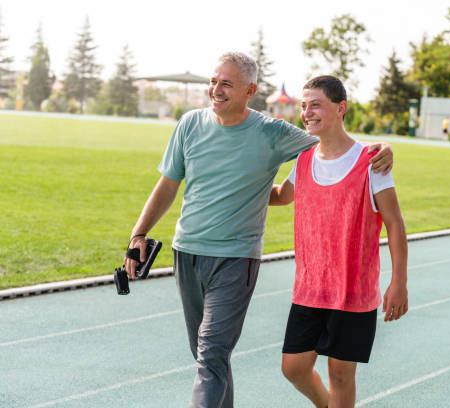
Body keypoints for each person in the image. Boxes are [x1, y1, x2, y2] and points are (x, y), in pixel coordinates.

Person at [123, 53, 394, 408]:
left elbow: (335, 144)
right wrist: (138, 234)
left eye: (227, 84)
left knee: (212, 353)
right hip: (186, 252)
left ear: (249, 90)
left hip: (236, 258)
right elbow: (168, 183)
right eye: (214, 81)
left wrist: (382, 149)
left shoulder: (272, 132)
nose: (215, 90)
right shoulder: (189, 124)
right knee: (209, 358)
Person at [269, 75, 408, 408]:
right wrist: (232, 184)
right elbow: (280, 196)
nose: (307, 112)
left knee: (342, 375)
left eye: (315, 104)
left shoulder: (372, 162)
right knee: (294, 367)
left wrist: (398, 282)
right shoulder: (303, 161)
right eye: (304, 106)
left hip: (353, 292)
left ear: (340, 108)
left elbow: (395, 224)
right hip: (310, 288)